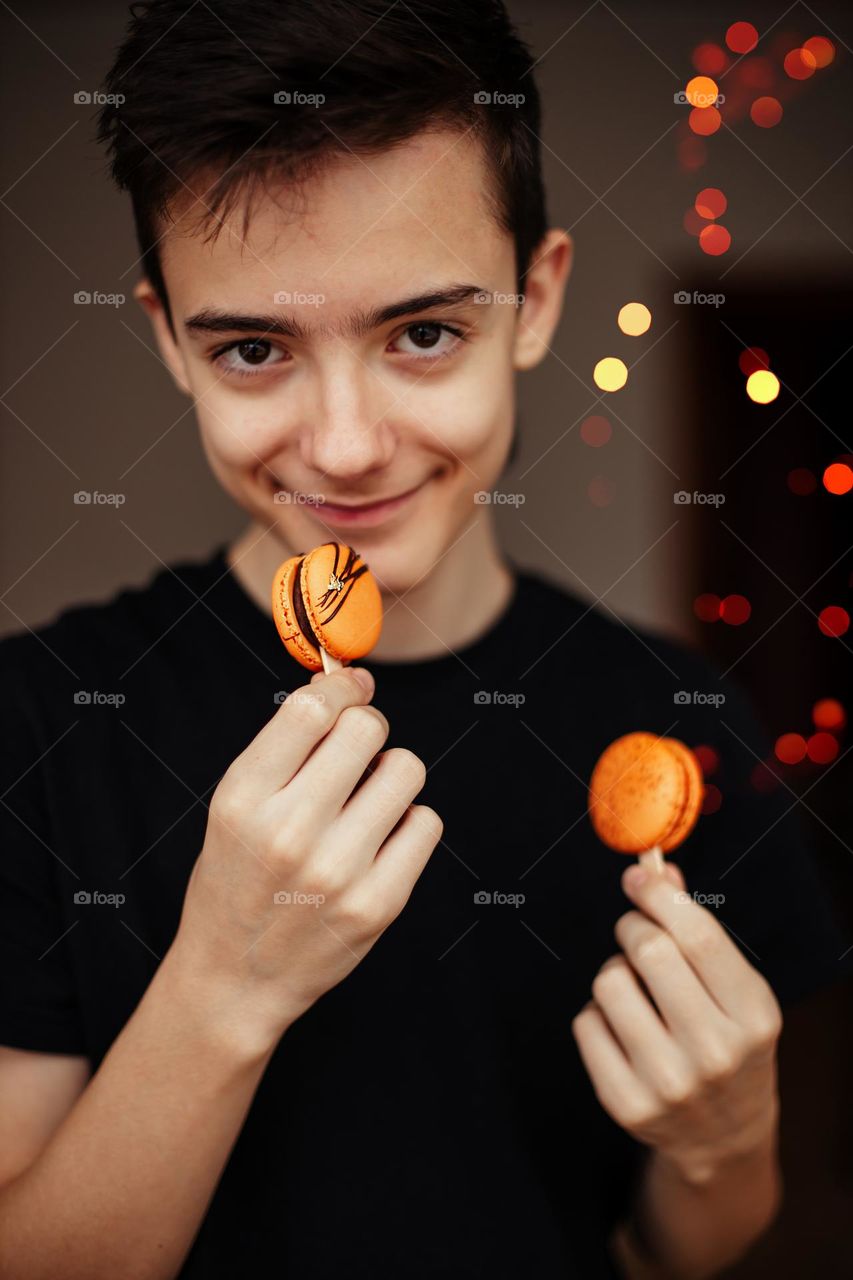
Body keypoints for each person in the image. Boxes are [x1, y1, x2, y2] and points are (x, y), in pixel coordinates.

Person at [0, 2, 848, 1277]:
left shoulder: (679, 721)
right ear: (169, 339)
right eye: (251, 347)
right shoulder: (39, 726)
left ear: (536, 301)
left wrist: (725, 1139)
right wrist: (223, 988)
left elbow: (689, 1247)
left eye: (424, 333)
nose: (342, 445)